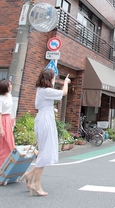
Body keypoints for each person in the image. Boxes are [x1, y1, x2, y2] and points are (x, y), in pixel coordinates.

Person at [20, 69, 70, 197]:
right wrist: (66, 82)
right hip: (45, 121)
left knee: (44, 151)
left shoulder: (42, 90)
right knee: (45, 152)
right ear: (49, 79)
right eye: (53, 78)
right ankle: (36, 183)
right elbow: (64, 92)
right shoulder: (46, 91)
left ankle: (30, 175)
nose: (54, 80)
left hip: (44, 120)